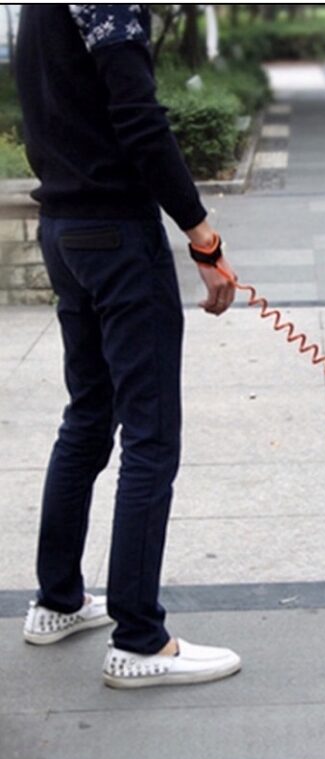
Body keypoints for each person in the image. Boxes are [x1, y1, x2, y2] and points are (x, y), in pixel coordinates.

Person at [16, 5, 241, 688]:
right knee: (150, 436)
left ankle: (57, 602)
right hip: (115, 234)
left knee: (88, 416)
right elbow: (140, 121)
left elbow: (42, 107)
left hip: (63, 229)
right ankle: (140, 639)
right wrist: (202, 234)